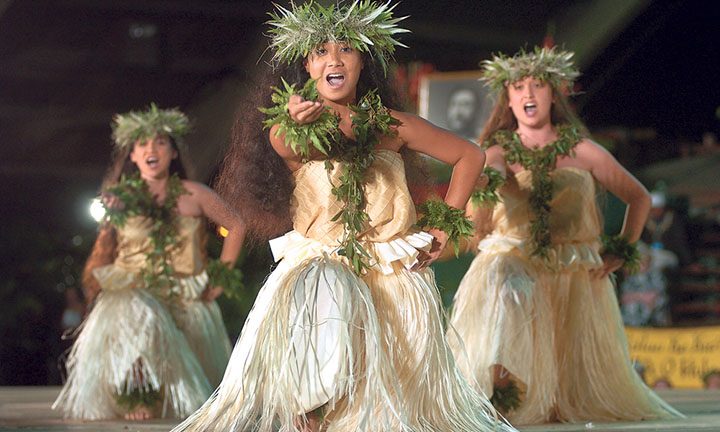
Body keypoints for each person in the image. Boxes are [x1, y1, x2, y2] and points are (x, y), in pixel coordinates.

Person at [173, 2, 514, 432]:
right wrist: (296, 120)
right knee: (325, 283)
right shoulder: (294, 127)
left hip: (391, 270)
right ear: (307, 65)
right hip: (324, 264)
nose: (333, 58)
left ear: (362, 62)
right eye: (320, 51)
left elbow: (470, 155)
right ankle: (312, 406)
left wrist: (445, 224)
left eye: (346, 50)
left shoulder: (393, 125)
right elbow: (284, 143)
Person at [447, 47, 682, 424]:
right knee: (502, 276)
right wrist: (488, 182)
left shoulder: (582, 150)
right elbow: (487, 172)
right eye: (518, 87)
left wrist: (621, 249)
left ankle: (551, 394)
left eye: (537, 85)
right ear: (507, 98)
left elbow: (637, 196)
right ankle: (501, 389)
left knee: (570, 394)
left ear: (553, 94)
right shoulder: (497, 151)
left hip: (573, 268)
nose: (528, 94)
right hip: (517, 258)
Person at [53, 105, 245, 420]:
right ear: (132, 155)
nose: (150, 149)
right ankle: (136, 394)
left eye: (159, 142)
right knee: (135, 309)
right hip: (133, 288)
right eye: (142, 144)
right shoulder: (121, 198)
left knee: (190, 391)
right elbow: (108, 247)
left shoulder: (193, 194)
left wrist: (221, 277)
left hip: (184, 292)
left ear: (172, 153)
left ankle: (163, 395)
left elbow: (236, 225)